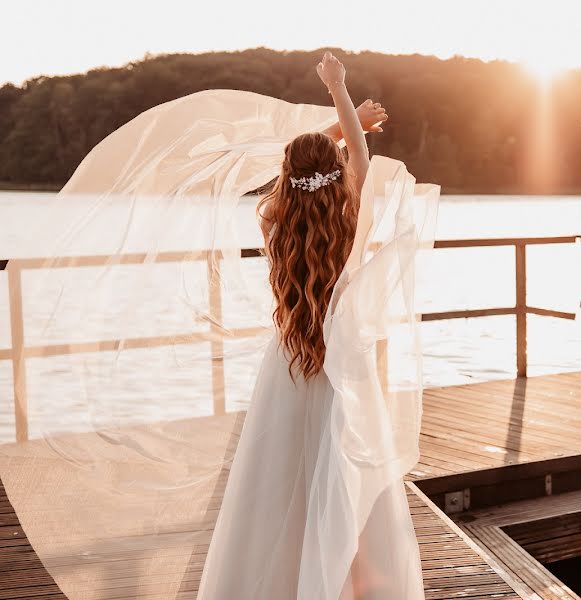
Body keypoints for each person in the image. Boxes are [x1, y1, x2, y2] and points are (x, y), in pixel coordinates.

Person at [195, 52, 428, 599]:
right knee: (347, 481)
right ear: (338, 171)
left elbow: (294, 165)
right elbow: (360, 162)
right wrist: (340, 93)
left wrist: (337, 124)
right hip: (343, 368)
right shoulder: (353, 214)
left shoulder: (274, 219)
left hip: (292, 363)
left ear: (287, 177)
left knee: (280, 484)